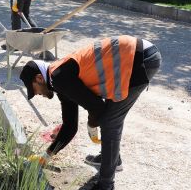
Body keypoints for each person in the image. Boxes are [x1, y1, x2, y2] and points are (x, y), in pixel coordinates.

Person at [21, 35, 162, 190]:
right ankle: (113, 159)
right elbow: (70, 126)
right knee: (108, 116)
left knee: (110, 122)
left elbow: (97, 108)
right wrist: (45, 157)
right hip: (131, 60)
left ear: (39, 78)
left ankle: (106, 185)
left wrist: (92, 123)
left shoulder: (60, 77)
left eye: (34, 89)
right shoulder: (59, 80)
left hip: (139, 59)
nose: (38, 94)